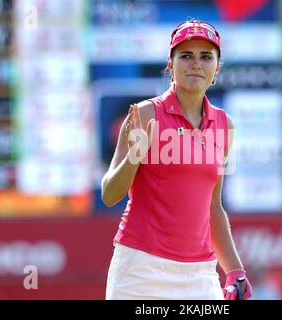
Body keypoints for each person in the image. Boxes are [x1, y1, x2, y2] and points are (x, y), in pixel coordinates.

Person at [101, 20, 252, 300]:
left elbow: (212, 206)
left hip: (200, 274)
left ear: (216, 69)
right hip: (140, 270)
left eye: (206, 57)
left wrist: (234, 270)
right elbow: (110, 194)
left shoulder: (224, 125)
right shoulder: (145, 114)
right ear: (170, 64)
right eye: (186, 56)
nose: (196, 64)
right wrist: (135, 157)